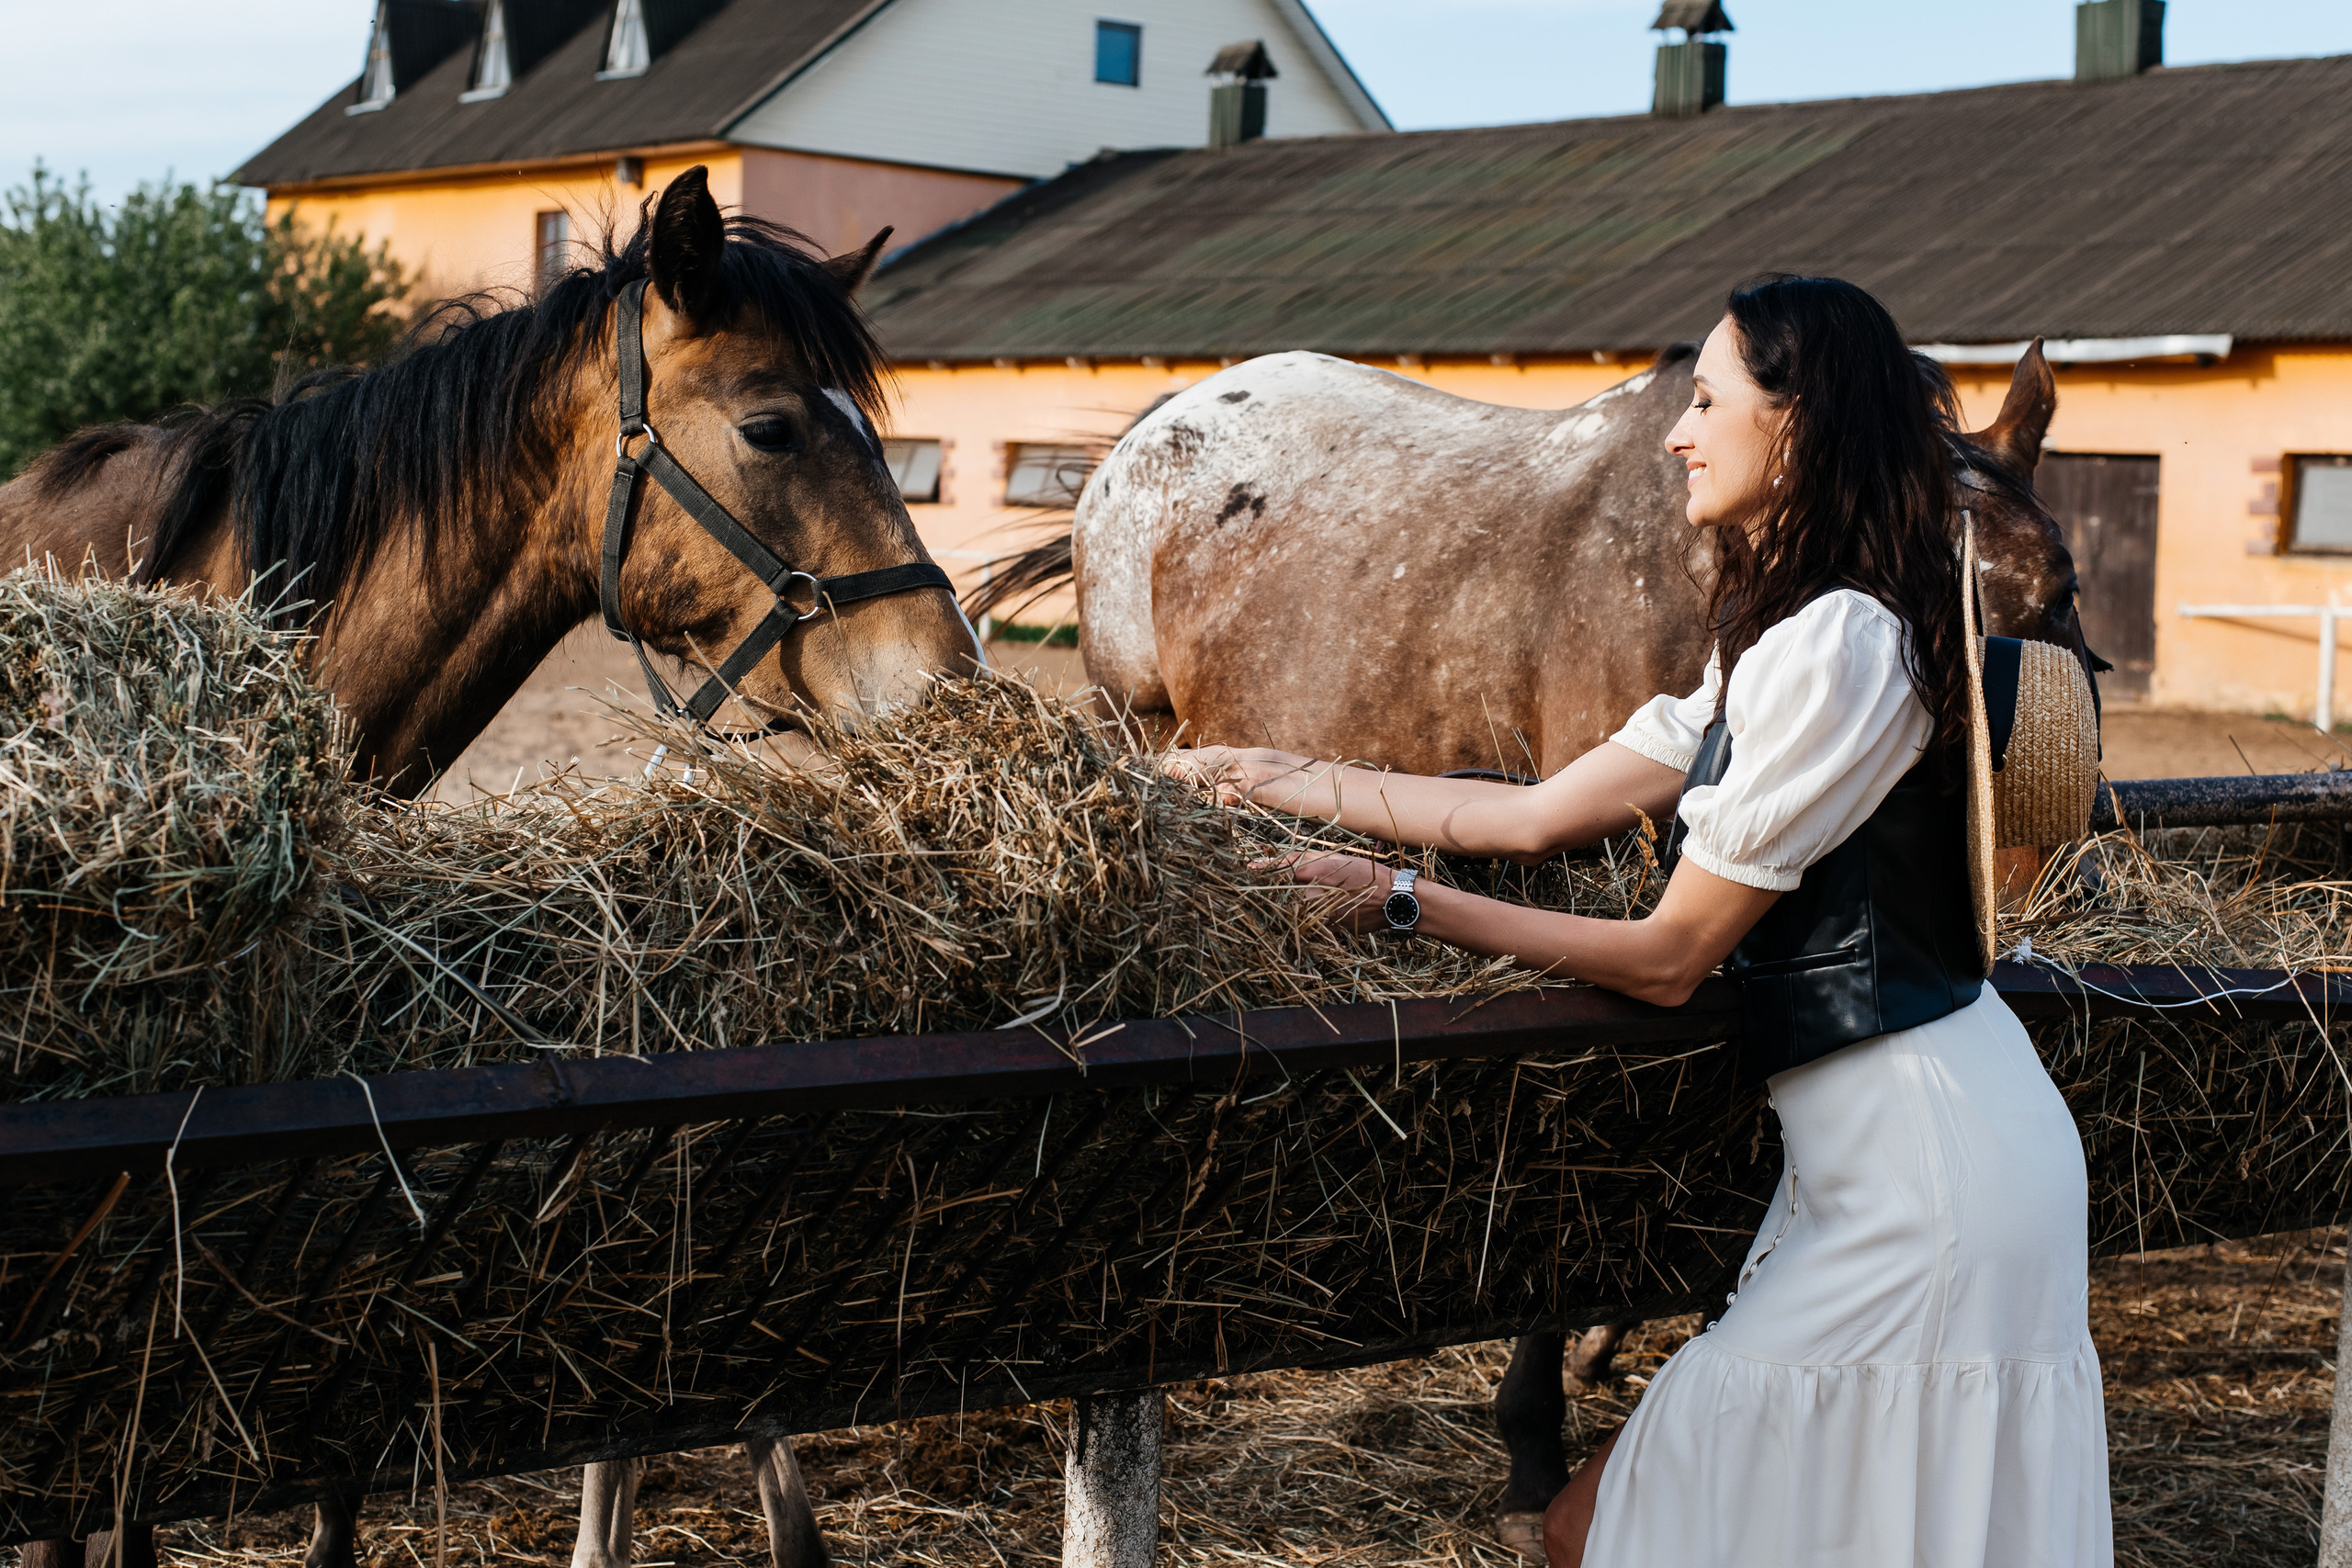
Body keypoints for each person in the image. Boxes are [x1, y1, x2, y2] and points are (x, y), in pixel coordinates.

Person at [1166, 275, 2111, 1567]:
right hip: (1876, 1171)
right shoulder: (1784, 640)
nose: (1678, 431)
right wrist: (1280, 777)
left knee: (1603, 1528)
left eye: (1710, 402)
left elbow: (1669, 958)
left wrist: (1396, 904)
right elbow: (1544, 814)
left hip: (1929, 1186)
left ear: (1799, 424)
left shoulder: (1837, 648)